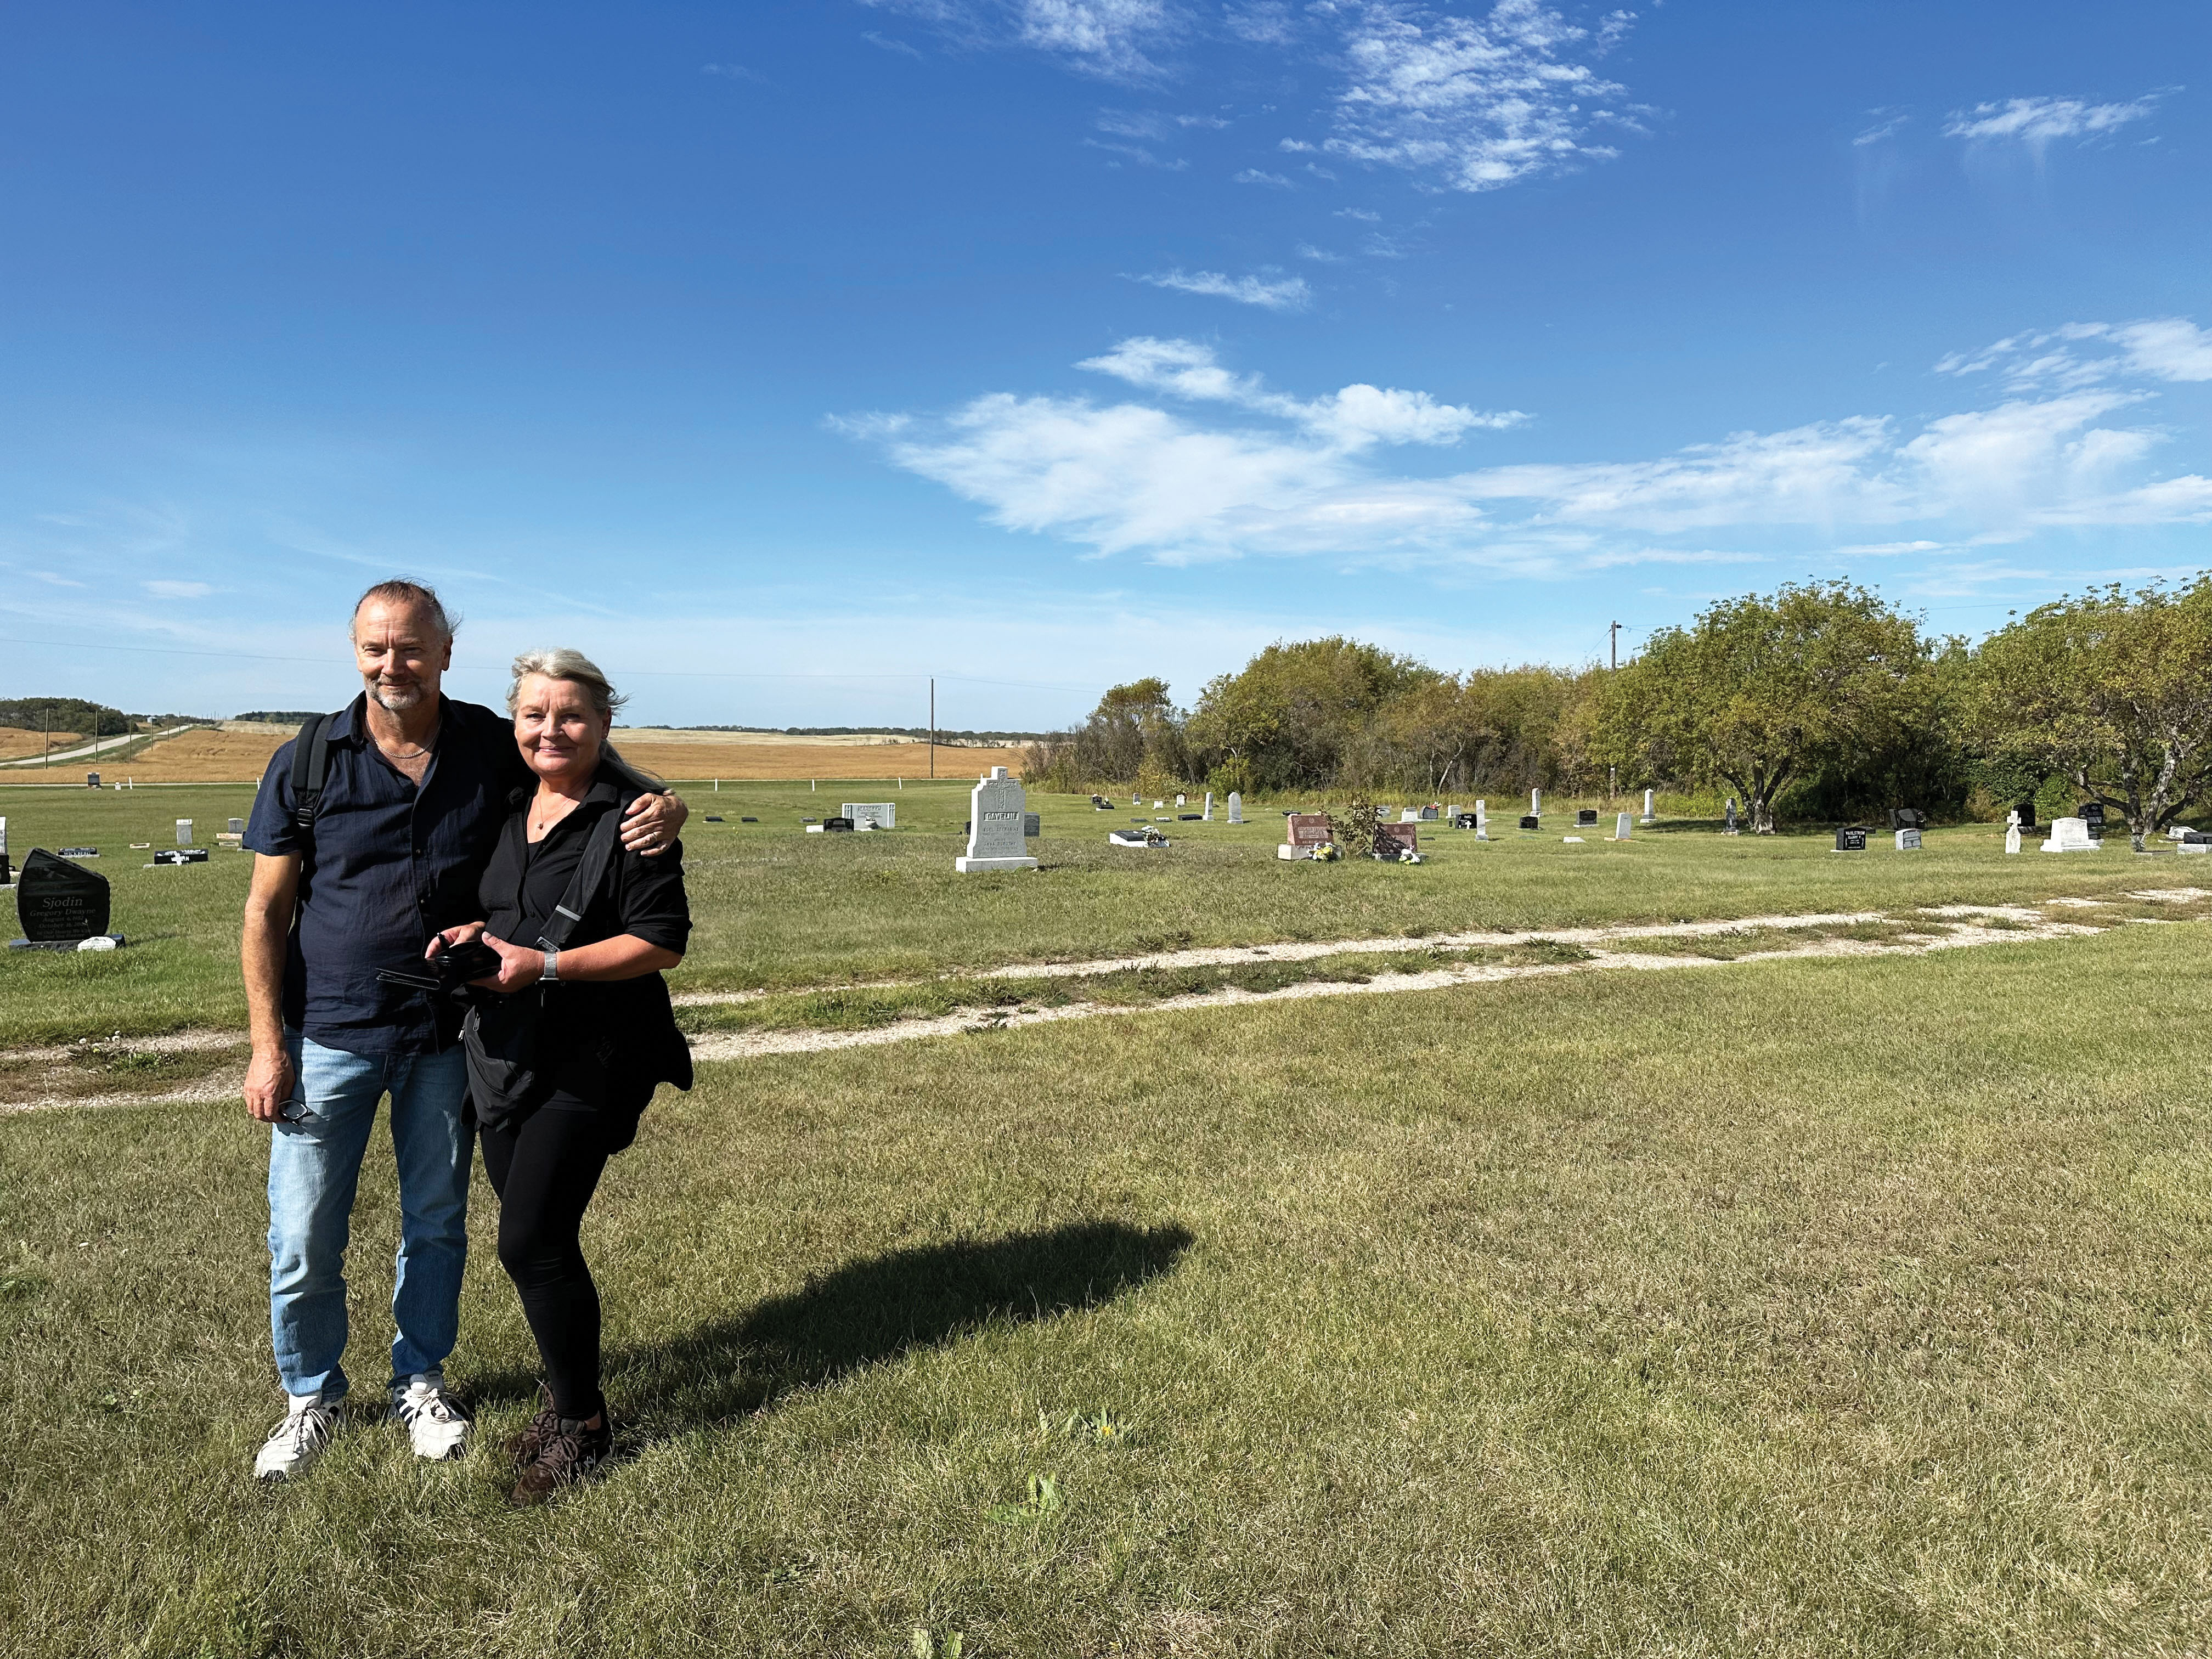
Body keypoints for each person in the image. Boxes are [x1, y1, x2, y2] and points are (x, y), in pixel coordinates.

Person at [240, 581, 686, 1482]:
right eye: (375, 649)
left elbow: (580, 757)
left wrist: (666, 802)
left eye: (410, 648)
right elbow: (264, 909)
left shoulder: (489, 741)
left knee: (438, 1223)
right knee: (301, 1233)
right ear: (353, 651)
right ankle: (311, 1396)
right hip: (330, 1031)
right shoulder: (310, 758)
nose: (391, 665)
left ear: (445, 653)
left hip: (449, 1035)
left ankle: (422, 1381)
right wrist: (267, 1043)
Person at [428, 648, 691, 1504]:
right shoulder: (514, 806)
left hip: (596, 1055)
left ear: (604, 724)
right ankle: (568, 1398)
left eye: (572, 715)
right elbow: (511, 911)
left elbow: (661, 942)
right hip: (509, 1054)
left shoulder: (634, 822)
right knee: (540, 1241)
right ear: (516, 722)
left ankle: (583, 1426)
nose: (552, 729)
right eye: (536, 714)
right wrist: (473, 935)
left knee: (529, 1239)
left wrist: (545, 968)